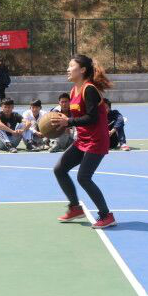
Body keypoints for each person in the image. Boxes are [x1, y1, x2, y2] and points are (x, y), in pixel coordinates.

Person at [45, 54, 116, 229]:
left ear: (82, 70)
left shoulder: (89, 89)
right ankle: (75, 208)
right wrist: (62, 119)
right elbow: (77, 115)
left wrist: (68, 121)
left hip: (97, 140)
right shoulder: (73, 90)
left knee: (83, 177)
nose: (68, 69)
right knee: (59, 169)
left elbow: (92, 118)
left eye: (71, 66)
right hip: (83, 139)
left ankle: (106, 215)